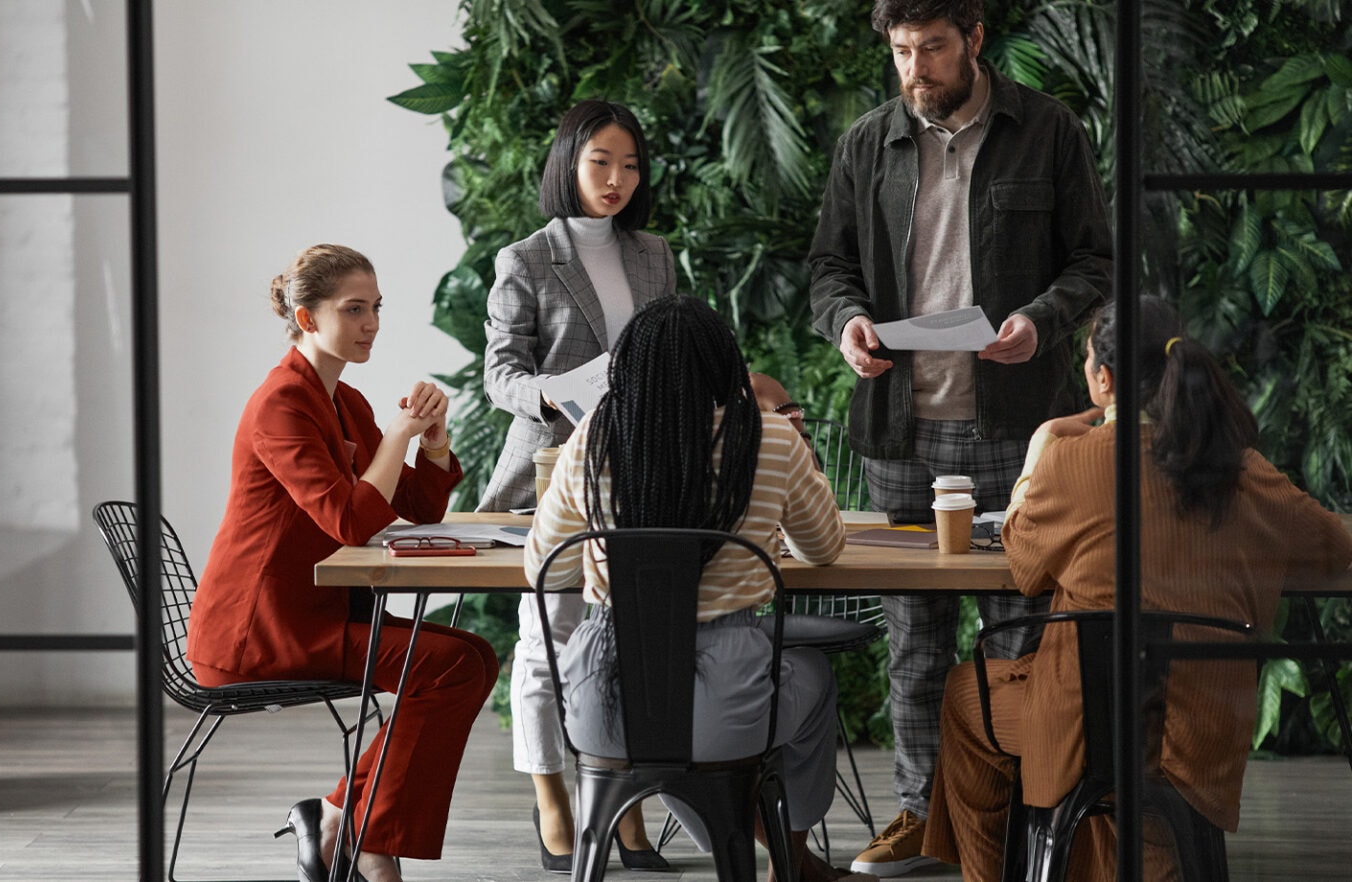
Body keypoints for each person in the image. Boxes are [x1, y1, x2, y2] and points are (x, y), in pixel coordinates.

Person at [805, 1, 1113, 874]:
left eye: (932, 48)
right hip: (899, 434)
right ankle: (919, 815)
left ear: (974, 40)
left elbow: (1094, 260)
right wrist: (850, 323)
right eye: (902, 51)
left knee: (1021, 635)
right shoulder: (869, 142)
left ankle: (1013, 819)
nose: (915, 69)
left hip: (1016, 430)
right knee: (915, 640)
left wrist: (1038, 323)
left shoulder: (1046, 129)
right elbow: (829, 266)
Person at [923, 295, 1352, 882]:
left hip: (1088, 730)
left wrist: (1041, 445)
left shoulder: (1070, 462)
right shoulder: (1241, 469)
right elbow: (1334, 548)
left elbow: (1023, 567)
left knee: (964, 696)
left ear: (1103, 378)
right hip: (1200, 733)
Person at [525, 296, 870, 882]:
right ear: (725, 366)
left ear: (625, 368)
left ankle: (731, 833)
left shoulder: (593, 438)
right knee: (809, 677)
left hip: (602, 709)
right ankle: (788, 854)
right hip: (726, 703)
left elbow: (544, 569)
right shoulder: (771, 439)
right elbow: (824, 548)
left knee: (675, 738)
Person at [186, 244, 500, 882]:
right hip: (261, 629)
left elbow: (415, 504)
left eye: (376, 307)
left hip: (316, 611)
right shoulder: (281, 402)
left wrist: (432, 444)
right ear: (306, 318)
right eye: (354, 309)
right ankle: (367, 837)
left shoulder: (345, 400)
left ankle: (336, 815)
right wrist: (397, 438)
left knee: (471, 659)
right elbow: (351, 520)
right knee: (450, 668)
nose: (372, 323)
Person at [478, 98, 677, 872]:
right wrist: (560, 388)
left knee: (629, 645)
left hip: (638, 475)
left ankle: (621, 804)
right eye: (601, 161)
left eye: (631, 165)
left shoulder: (654, 254)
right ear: (569, 163)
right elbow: (501, 378)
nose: (617, 179)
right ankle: (553, 799)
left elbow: (668, 353)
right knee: (547, 647)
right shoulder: (525, 259)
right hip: (553, 476)